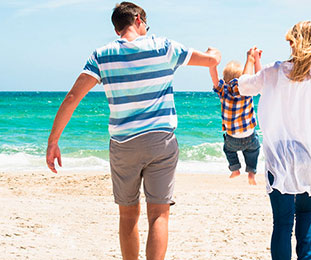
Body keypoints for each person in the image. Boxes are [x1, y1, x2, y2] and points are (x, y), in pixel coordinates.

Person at [45, 2, 221, 260]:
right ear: (138, 19)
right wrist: (213, 53)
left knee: (128, 215)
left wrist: (53, 141)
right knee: (159, 214)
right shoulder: (164, 47)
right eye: (146, 25)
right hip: (161, 142)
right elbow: (211, 61)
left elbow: (73, 97)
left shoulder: (101, 56)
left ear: (118, 29)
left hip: (123, 144)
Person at [238, 21, 311, 260]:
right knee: (307, 216)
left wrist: (249, 59)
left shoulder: (272, 71)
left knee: (283, 224)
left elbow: (244, 87)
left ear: (290, 42)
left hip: (280, 160)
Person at [208, 50, 262, 185]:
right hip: (249, 135)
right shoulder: (246, 90)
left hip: (232, 137)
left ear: (225, 78)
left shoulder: (222, 91)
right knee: (254, 151)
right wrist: (252, 59)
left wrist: (212, 63)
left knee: (228, 150)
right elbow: (251, 77)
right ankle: (251, 172)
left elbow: (214, 77)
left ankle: (235, 169)